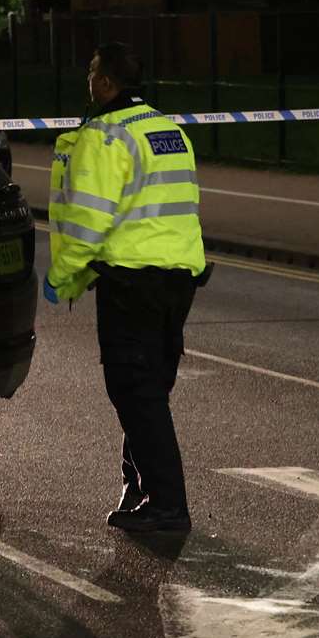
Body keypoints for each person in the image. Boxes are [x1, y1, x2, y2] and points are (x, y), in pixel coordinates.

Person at [44, 42, 209, 533]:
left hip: (132, 283)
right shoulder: (167, 130)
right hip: (178, 280)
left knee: (135, 392)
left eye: (93, 71)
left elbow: (87, 221)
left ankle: (168, 506)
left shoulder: (106, 136)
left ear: (107, 83)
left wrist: (62, 276)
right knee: (150, 389)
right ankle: (140, 487)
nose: (88, 79)